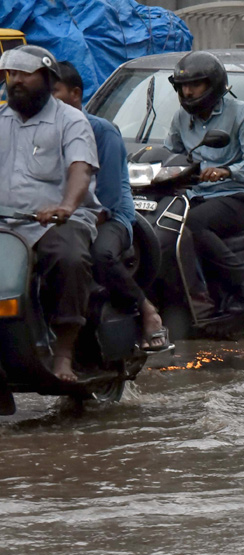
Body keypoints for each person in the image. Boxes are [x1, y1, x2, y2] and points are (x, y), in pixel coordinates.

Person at [0, 45, 103, 382]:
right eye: (11, 74)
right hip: (6, 224)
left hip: (56, 222)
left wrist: (65, 206)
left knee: (69, 257)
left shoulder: (71, 120)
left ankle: (64, 353)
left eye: (24, 75)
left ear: (46, 78)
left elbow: (80, 168)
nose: (15, 81)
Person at [52, 61, 169, 352]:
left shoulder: (102, 132)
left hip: (109, 215)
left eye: (54, 91)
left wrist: (70, 221)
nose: (46, 100)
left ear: (75, 94)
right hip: (60, 216)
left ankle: (146, 310)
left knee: (98, 254)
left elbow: (108, 197)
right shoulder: (43, 132)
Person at [164, 50, 244, 314]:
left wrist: (227, 171)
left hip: (237, 196)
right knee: (163, 226)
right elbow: (169, 154)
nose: (187, 92)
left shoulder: (240, 112)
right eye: (183, 86)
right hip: (195, 198)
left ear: (213, 84)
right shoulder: (181, 118)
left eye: (194, 85)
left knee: (194, 225)